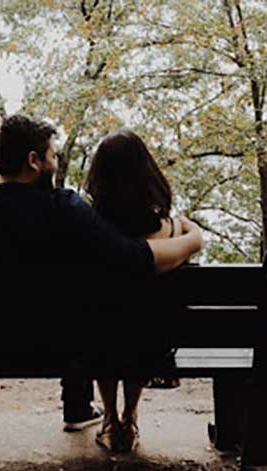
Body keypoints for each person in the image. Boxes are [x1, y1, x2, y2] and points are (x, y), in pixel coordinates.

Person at [0, 114, 203, 433]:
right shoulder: (66, 211)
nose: (55, 162)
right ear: (34, 161)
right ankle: (84, 408)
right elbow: (133, 259)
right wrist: (191, 240)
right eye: (52, 155)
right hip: (54, 348)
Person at [83, 130, 185, 452]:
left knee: (102, 327)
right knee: (141, 324)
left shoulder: (89, 227)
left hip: (97, 342)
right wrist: (187, 231)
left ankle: (110, 419)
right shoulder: (168, 229)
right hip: (152, 345)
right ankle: (130, 416)